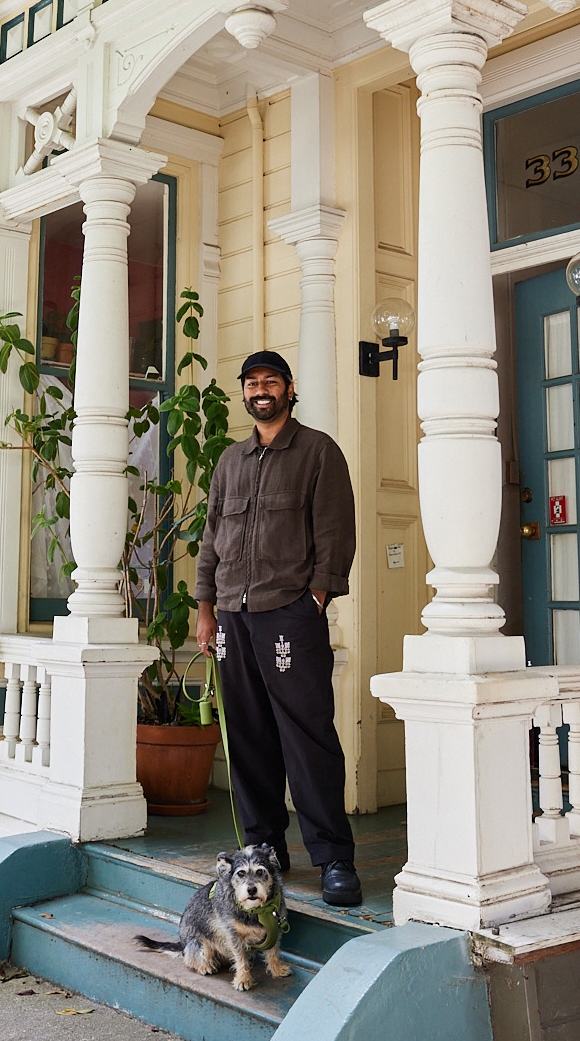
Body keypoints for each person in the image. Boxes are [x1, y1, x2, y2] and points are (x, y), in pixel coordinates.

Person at [194, 351, 361, 907]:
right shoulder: (230, 462)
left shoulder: (317, 452)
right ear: (244, 393)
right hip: (232, 619)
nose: (260, 390)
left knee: (307, 735)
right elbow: (211, 540)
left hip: (288, 613)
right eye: (251, 383)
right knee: (246, 736)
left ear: (290, 389)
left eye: (270, 382)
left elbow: (336, 535)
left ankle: (334, 857)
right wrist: (205, 608)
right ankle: (263, 851)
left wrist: (313, 599)